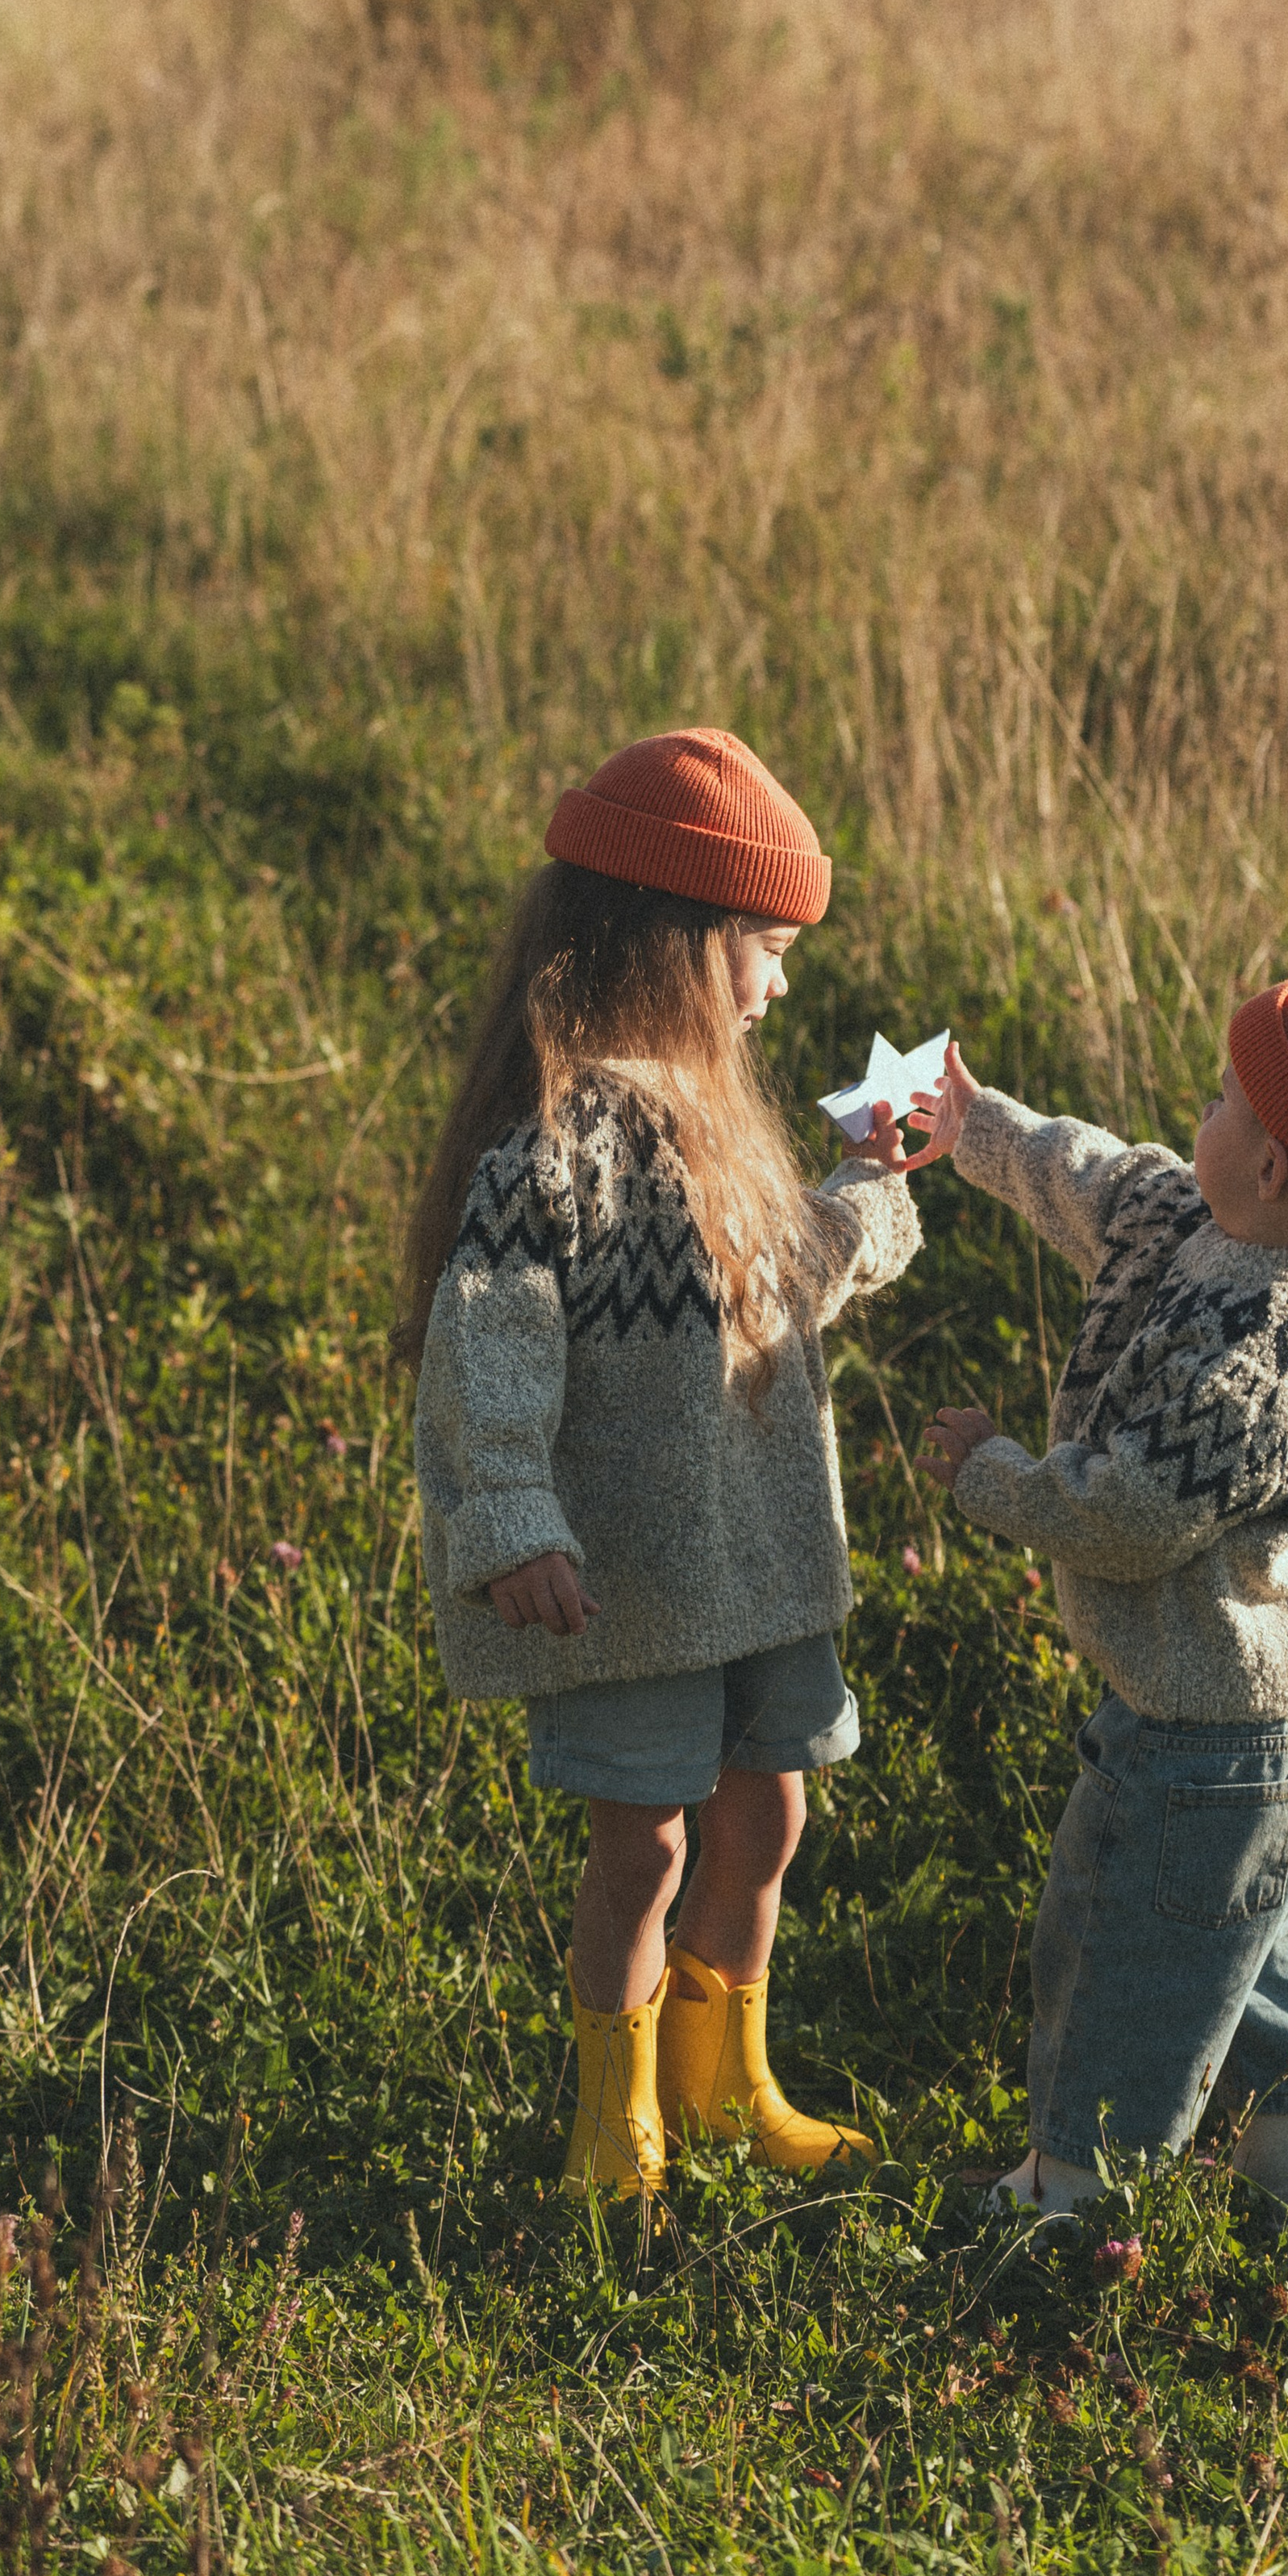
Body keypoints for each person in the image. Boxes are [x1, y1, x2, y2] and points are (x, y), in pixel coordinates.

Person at [399, 728, 920, 2201]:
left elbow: (789, 1270)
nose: (779, 981)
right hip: (630, 1574)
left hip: (762, 1558)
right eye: (761, 949)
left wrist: (875, 1187)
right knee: (646, 1849)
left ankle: (722, 2081)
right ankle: (613, 2124)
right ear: (681, 948)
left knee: (772, 1812)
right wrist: (509, 1515)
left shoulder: (730, 1127)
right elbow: (486, 1343)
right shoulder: (553, 1154)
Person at [909, 979, 1288, 2216]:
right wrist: (975, 1124)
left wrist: (997, 1473)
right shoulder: (1235, 1227)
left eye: (1220, 1100)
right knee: (1273, 1943)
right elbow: (1108, 1180)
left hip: (1206, 1735)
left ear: (1270, 1163)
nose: (1195, 1116)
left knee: (1124, 1945)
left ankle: (1068, 2198)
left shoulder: (1256, 1356)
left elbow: (1126, 1519)